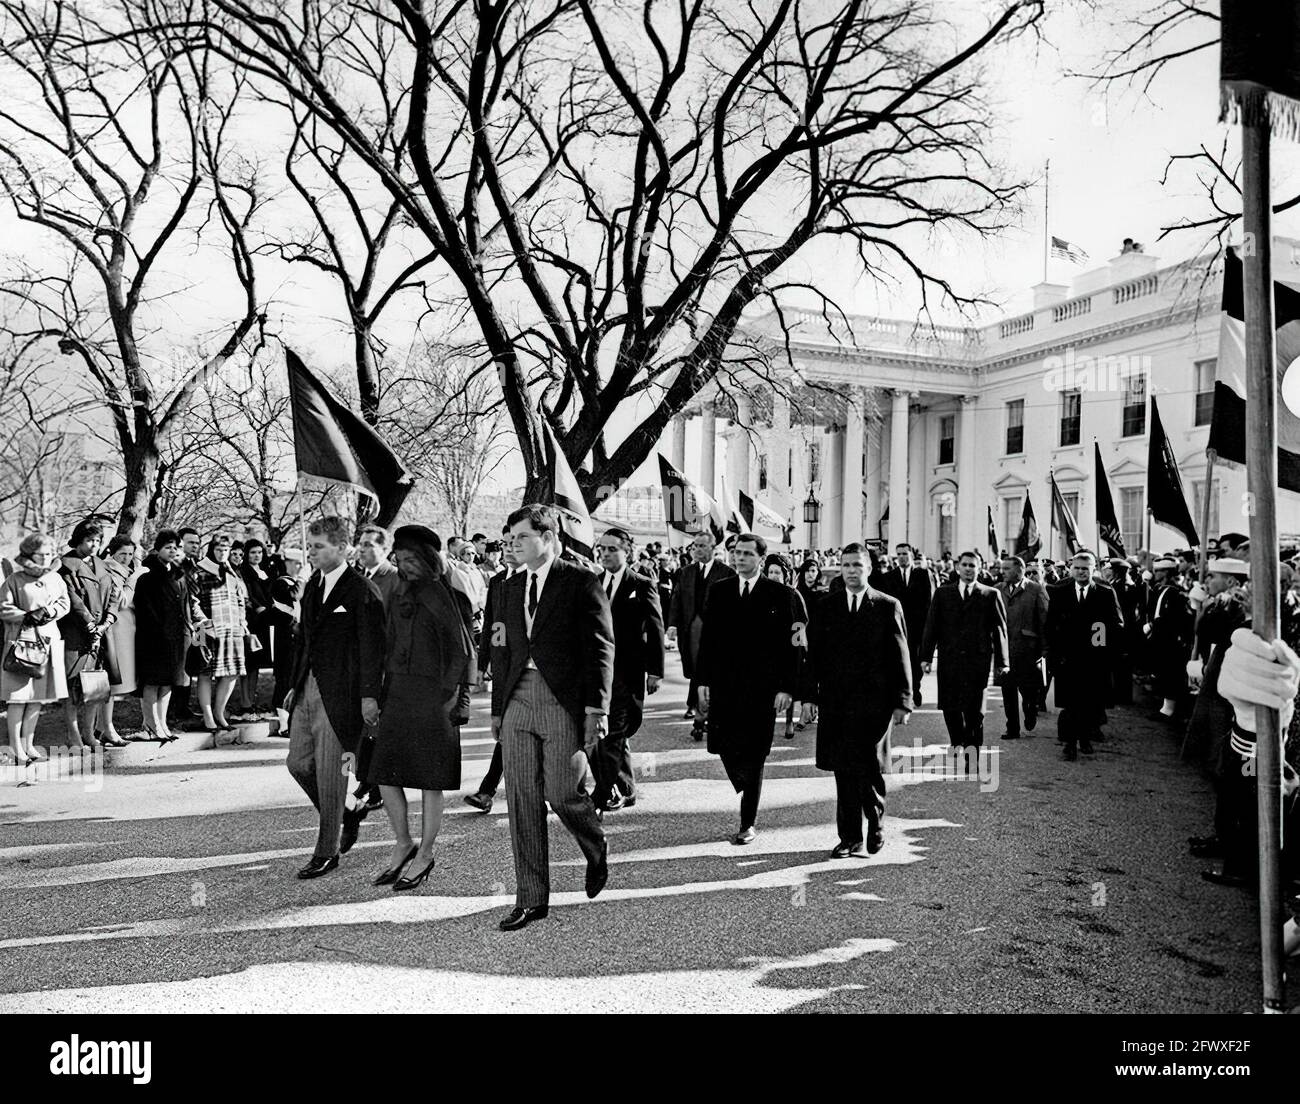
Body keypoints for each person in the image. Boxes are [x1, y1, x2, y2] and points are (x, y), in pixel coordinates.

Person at [489, 504, 613, 931]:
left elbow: (601, 649)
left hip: (562, 702)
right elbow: (499, 647)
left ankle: (595, 845)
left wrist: (597, 709)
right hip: (517, 702)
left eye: (521, 537)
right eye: (510, 538)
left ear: (548, 535)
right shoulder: (502, 587)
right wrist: (496, 709)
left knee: (563, 793)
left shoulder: (580, 581)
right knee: (521, 799)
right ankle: (530, 898)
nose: (512, 545)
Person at [366, 525, 471, 892]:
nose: (404, 564)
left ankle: (425, 853)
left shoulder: (449, 595)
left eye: (411, 559)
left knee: (430, 779)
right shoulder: (397, 593)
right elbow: (385, 644)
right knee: (384, 772)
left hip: (435, 697)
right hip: (398, 691)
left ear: (428, 559)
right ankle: (403, 842)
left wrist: (461, 699)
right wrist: (375, 693)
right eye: (401, 558)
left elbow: (464, 652)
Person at [284, 517, 386, 879]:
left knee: (332, 773)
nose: (311, 553)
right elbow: (305, 641)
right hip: (309, 687)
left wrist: (369, 697)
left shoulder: (361, 590)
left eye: (319, 546)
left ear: (343, 548)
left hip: (343, 695)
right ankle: (349, 810)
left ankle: (326, 851)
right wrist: (295, 683)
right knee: (298, 763)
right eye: (310, 547)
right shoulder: (313, 586)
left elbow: (374, 650)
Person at [803, 543, 911, 857]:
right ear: (840, 567)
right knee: (843, 769)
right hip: (837, 703)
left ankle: (875, 821)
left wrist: (903, 701)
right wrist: (810, 697)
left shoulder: (887, 605)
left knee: (869, 768)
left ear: (869, 568)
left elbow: (900, 656)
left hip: (874, 705)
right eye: (846, 565)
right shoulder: (827, 606)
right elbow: (815, 657)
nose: (851, 571)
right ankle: (849, 837)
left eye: (857, 565)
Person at [696, 533, 799, 844]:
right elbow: (709, 639)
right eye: (736, 553)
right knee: (723, 746)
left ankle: (747, 823)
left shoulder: (780, 594)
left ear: (760, 559)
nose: (739, 558)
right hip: (726, 685)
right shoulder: (720, 590)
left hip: (763, 689)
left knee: (755, 754)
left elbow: (792, 646)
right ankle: (744, 782)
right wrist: (701, 681)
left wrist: (787, 688)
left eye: (746, 554)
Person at [592, 527, 665, 811]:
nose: (606, 554)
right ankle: (623, 788)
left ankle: (602, 792)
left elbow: (656, 629)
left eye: (612, 549)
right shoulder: (593, 582)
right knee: (612, 733)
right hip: (599, 673)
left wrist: (655, 671)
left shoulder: (642, 584)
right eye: (602, 548)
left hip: (628, 671)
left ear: (627, 552)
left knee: (615, 731)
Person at [920, 550, 1008, 750]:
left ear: (980, 568)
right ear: (958, 567)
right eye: (965, 565)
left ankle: (972, 750)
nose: (968, 569)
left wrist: (1003, 663)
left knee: (975, 711)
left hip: (978, 661)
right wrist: (925, 657)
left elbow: (1000, 630)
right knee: (950, 707)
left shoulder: (990, 594)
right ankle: (957, 741)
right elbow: (931, 626)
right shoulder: (943, 593)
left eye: (973, 565)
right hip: (949, 659)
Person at [1045, 550, 1124, 760]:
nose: (1081, 572)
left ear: (1093, 570)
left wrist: (1106, 650)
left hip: (1094, 659)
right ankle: (1070, 744)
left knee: (1089, 702)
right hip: (1067, 659)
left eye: (1085, 569)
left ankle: (1085, 738)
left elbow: (1116, 624)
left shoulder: (1105, 593)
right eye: (1077, 568)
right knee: (1070, 703)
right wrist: (1054, 654)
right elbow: (1050, 626)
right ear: (1071, 569)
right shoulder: (1059, 591)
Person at [2, 534, 70, 770]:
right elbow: (3, 607)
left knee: (38, 699)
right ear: (29, 554)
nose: (46, 558)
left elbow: (65, 602)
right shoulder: (14, 579)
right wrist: (25, 616)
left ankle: (29, 744)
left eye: (50, 554)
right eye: (42, 554)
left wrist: (50, 611)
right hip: (22, 643)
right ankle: (14, 748)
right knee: (18, 699)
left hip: (48, 641)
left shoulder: (56, 578)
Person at [464, 524, 520, 814]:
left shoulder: (539, 581)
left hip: (533, 671)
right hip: (505, 667)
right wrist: (486, 659)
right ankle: (487, 791)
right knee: (506, 728)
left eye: (514, 543)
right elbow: (493, 625)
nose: (509, 550)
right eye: (505, 544)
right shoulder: (498, 582)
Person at [58, 519, 121, 752]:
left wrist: (107, 621)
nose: (94, 545)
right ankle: (73, 735)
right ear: (78, 540)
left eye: (97, 540)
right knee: (74, 687)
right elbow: (72, 600)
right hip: (76, 635)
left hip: (100, 633)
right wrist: (90, 625)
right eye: (89, 540)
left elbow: (113, 595)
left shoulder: (102, 565)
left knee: (96, 688)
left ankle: (89, 734)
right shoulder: (67, 566)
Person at [667, 530, 735, 740]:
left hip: (716, 634)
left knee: (711, 673)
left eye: (702, 546)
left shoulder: (726, 572)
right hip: (690, 631)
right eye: (695, 546)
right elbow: (677, 599)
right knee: (696, 671)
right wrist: (672, 625)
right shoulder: (685, 572)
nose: (697, 550)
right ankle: (699, 711)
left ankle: (702, 716)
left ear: (713, 548)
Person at [134, 530, 189, 742]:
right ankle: (150, 724)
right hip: (153, 637)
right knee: (152, 682)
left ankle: (162, 724)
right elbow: (145, 608)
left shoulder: (178, 573)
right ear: (158, 549)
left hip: (176, 636)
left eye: (175, 547)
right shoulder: (147, 573)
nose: (172, 551)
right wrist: (160, 630)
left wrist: (187, 628)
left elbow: (184, 605)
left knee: (168, 682)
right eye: (168, 547)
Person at [192, 534, 248, 733]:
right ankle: (208, 718)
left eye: (226, 550)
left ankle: (219, 713)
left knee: (232, 672)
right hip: (207, 629)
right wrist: (206, 624)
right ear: (212, 549)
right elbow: (193, 603)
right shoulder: (199, 570)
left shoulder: (232, 572)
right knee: (205, 674)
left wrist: (242, 623)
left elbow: (240, 601)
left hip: (232, 629)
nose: (223, 553)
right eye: (219, 549)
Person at [995, 554, 1048, 740]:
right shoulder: (997, 590)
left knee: (1028, 690)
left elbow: (1044, 621)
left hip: (1027, 650)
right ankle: (1013, 728)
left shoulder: (1035, 590)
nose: (1003, 572)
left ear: (1020, 570)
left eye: (1007, 569)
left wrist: (1044, 650)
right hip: (1004, 651)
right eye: (1002, 568)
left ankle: (1031, 709)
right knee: (1007, 690)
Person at [879, 544, 935, 708]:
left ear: (911, 555)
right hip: (897, 626)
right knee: (900, 659)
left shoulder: (923, 574)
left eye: (905, 553)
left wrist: (928, 627)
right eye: (899, 554)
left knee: (916, 661)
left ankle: (915, 688)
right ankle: (905, 691)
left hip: (917, 627)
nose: (902, 557)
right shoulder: (889, 576)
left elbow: (929, 601)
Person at [100, 536, 141, 746]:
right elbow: (121, 600)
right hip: (115, 630)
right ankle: (106, 727)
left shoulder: (127, 570)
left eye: (130, 554)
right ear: (112, 552)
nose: (126, 558)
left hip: (125, 629)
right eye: (122, 553)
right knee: (111, 682)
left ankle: (103, 726)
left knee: (116, 683)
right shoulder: (108, 569)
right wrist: (133, 581)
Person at [1145, 556, 1193, 721]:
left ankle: (1169, 710)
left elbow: (1173, 617)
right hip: (1159, 636)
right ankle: (1165, 706)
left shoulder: (1175, 591)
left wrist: (1154, 625)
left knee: (1170, 673)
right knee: (1162, 671)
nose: (1155, 573)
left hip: (1170, 638)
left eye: (1158, 571)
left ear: (1167, 572)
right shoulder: (1160, 589)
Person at [239, 538, 274, 716]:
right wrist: (257, 606)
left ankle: (251, 701)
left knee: (256, 664)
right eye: (253, 552)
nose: (257, 555)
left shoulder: (265, 571)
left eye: (259, 552)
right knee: (248, 663)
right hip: (252, 620)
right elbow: (247, 595)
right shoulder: (243, 572)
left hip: (265, 621)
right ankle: (245, 702)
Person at [356, 525, 400, 606]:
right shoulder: (356, 577)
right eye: (360, 544)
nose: (361, 550)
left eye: (367, 545)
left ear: (384, 550)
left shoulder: (397, 578)